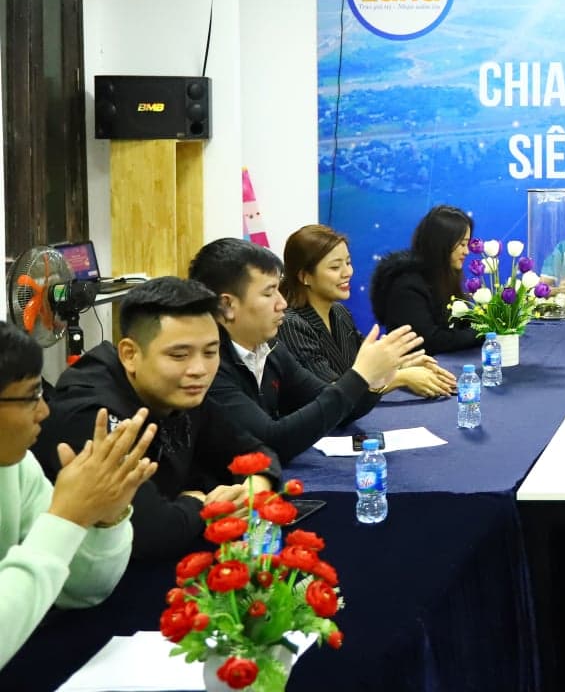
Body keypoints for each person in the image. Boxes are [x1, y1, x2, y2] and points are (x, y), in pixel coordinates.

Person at [34, 278, 279, 560]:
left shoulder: (181, 390)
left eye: (210, 352)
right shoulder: (92, 415)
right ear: (130, 355)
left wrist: (254, 488)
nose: (199, 369)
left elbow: (256, 452)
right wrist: (201, 505)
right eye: (179, 355)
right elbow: (149, 532)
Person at [0, 323, 159, 667]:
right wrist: (65, 518)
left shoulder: (17, 465)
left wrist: (104, 519)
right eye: (30, 396)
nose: (44, 411)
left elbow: (83, 591)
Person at [191, 238, 425, 463]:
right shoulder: (208, 367)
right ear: (226, 305)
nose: (282, 303)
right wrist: (360, 376)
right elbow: (271, 442)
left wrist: (374, 382)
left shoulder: (270, 349)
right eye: (269, 293)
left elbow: (335, 406)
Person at [275, 224, 455, 398]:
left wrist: (403, 364)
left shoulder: (339, 313)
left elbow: (363, 367)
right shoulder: (290, 324)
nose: (347, 272)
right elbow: (331, 394)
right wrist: (401, 378)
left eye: (348, 262)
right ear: (304, 276)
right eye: (335, 267)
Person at [370, 204, 484, 354]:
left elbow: (460, 323)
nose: (467, 251)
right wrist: (480, 334)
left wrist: (487, 322)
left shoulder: (443, 276)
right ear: (442, 244)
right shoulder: (406, 286)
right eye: (462, 244)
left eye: (467, 244)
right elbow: (429, 341)